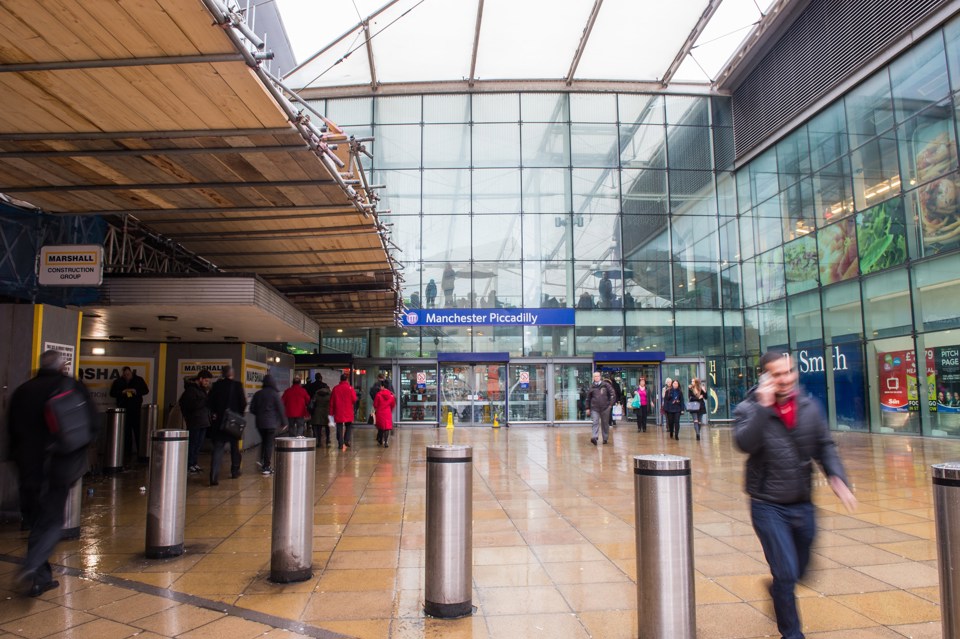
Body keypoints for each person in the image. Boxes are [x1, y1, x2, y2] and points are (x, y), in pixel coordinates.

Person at [734, 351, 857, 639]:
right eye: (777, 374)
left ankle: (777, 589)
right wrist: (764, 408)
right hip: (767, 505)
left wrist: (837, 476)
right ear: (764, 377)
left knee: (801, 572)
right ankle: (792, 633)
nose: (786, 378)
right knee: (786, 572)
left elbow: (824, 444)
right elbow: (744, 443)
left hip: (803, 503)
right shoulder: (748, 409)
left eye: (789, 371)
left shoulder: (809, 406)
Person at [8, 350, 96, 597]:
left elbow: (12, 432)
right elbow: (91, 425)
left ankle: (40, 577)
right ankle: (33, 566)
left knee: (36, 518)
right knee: (51, 521)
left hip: (27, 468)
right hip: (59, 466)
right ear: (62, 366)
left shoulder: (22, 391)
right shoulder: (70, 386)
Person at [207, 365, 247, 486]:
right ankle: (235, 470)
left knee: (218, 449)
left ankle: (214, 475)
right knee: (235, 447)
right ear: (232, 373)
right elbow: (243, 403)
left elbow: (209, 403)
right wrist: (238, 415)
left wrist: (216, 414)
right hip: (233, 422)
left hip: (219, 423)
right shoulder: (237, 385)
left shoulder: (216, 386)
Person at [109, 366, 149, 460]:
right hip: (124, 409)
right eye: (125, 375)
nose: (127, 376)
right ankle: (127, 453)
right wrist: (122, 392)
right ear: (122, 374)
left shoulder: (138, 380)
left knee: (138, 431)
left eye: (128, 374)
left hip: (136, 409)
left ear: (131, 373)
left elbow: (146, 390)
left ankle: (141, 453)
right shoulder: (118, 382)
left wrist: (136, 391)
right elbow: (112, 393)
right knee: (126, 433)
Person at [250, 374, 287, 475]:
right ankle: (266, 466)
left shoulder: (258, 394)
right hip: (271, 424)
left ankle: (261, 460)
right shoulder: (274, 394)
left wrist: (260, 415)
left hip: (260, 423)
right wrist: (284, 422)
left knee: (264, 441)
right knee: (269, 444)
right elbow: (280, 408)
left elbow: (252, 409)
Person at [179, 370, 213, 473]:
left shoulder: (202, 390)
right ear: (200, 379)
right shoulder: (191, 390)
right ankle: (189, 464)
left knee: (198, 444)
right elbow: (190, 405)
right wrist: (205, 401)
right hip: (195, 421)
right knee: (193, 443)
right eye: (206, 381)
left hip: (203, 421)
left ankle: (194, 462)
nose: (207, 383)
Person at [585, 371, 615, 446]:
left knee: (605, 424)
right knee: (595, 422)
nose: (596, 378)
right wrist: (587, 408)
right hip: (594, 408)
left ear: (600, 377)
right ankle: (594, 437)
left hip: (605, 408)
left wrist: (610, 405)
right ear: (593, 378)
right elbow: (588, 398)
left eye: (598, 376)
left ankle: (605, 438)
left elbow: (613, 394)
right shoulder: (591, 387)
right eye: (595, 376)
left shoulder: (606, 385)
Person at [330, 373, 358, 451]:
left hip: (338, 410)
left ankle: (340, 442)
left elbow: (332, 401)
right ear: (347, 380)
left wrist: (331, 412)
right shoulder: (350, 388)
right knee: (348, 425)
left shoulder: (335, 388)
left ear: (340, 379)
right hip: (348, 410)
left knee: (339, 426)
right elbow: (354, 399)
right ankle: (346, 440)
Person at [374, 382, 396, 447]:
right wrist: (390, 410)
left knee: (380, 427)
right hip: (387, 413)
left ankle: (380, 440)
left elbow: (375, 404)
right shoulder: (391, 395)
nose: (380, 387)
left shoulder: (378, 395)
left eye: (381, 386)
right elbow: (393, 405)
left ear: (383, 387)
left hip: (380, 413)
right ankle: (386, 442)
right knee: (387, 427)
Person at [309, 381, 332, 447]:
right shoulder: (329, 394)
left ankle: (319, 441)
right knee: (327, 427)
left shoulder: (316, 394)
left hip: (317, 411)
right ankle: (327, 440)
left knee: (319, 427)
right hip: (326, 412)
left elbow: (313, 403)